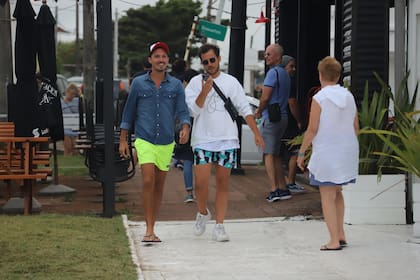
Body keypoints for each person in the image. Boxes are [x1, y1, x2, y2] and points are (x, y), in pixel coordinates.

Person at [185, 44, 264, 242]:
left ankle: (220, 225)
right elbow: (193, 111)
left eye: (212, 60)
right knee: (201, 184)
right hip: (202, 139)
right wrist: (204, 90)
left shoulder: (231, 82)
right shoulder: (195, 83)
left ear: (219, 59)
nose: (209, 64)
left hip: (227, 140)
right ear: (202, 63)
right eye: (205, 62)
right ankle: (202, 212)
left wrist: (256, 133)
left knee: (223, 183)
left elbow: (244, 108)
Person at [119, 42, 191, 243]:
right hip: (144, 138)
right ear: (150, 60)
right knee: (148, 179)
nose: (161, 60)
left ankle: (153, 226)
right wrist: (123, 139)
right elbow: (129, 112)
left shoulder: (176, 85)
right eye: (157, 56)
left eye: (164, 56)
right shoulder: (138, 83)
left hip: (166, 141)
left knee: (159, 186)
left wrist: (185, 127)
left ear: (167, 61)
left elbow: (183, 111)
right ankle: (148, 230)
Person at [297, 56, 359, 251]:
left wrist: (301, 153)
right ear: (338, 75)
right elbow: (356, 126)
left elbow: (312, 129)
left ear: (321, 75)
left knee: (326, 195)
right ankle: (341, 234)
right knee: (337, 192)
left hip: (327, 151)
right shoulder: (348, 96)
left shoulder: (320, 98)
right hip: (347, 150)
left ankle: (333, 240)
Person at [254, 44, 292, 202]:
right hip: (283, 116)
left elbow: (265, 97)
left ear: (278, 57)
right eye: (266, 54)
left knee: (268, 154)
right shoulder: (284, 74)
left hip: (271, 117)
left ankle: (274, 189)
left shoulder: (272, 73)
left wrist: (258, 111)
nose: (266, 56)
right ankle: (283, 187)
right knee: (276, 154)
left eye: (269, 54)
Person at [171, 58, 198, 203]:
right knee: (199, 161)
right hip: (201, 130)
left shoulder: (182, 92)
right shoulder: (202, 93)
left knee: (187, 160)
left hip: (185, 128)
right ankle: (201, 190)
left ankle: (189, 192)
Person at [279, 55, 305, 193]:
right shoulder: (289, 81)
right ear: (284, 67)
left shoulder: (276, 79)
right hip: (289, 121)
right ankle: (291, 182)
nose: (294, 69)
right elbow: (292, 103)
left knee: (279, 153)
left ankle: (280, 184)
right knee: (295, 150)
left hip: (278, 119)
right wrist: (299, 120)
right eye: (291, 66)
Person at [61, 83, 80, 156]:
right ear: (67, 92)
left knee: (76, 148)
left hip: (75, 128)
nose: (72, 96)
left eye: (74, 94)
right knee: (68, 147)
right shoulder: (61, 103)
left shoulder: (77, 102)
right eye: (71, 94)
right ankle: (67, 155)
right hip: (66, 129)